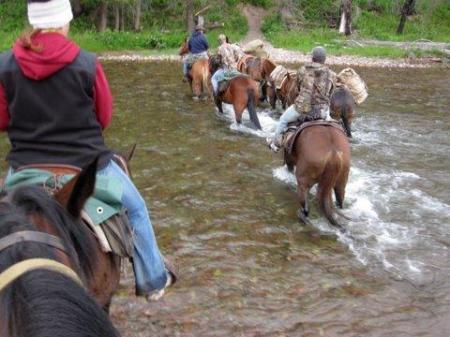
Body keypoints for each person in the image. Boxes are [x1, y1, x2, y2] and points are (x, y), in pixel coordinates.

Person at [0, 0, 176, 301]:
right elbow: (103, 116)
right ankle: (153, 280)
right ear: (64, 20)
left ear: (34, 21)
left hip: (25, 163)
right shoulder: (86, 62)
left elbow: (3, 120)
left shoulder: (6, 64)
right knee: (136, 210)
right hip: (84, 161)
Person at [267, 46, 337, 152]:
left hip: (302, 108)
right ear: (324, 59)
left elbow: (298, 88)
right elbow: (330, 93)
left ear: (312, 58)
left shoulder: (302, 70)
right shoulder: (332, 75)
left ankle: (275, 143)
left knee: (283, 120)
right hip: (322, 111)